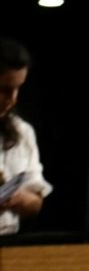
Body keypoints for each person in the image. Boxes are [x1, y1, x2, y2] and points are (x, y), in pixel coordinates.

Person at [0, 38, 52, 235]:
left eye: (18, 88)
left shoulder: (22, 132)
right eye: (5, 90)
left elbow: (36, 202)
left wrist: (18, 199)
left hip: (8, 240)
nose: (12, 99)